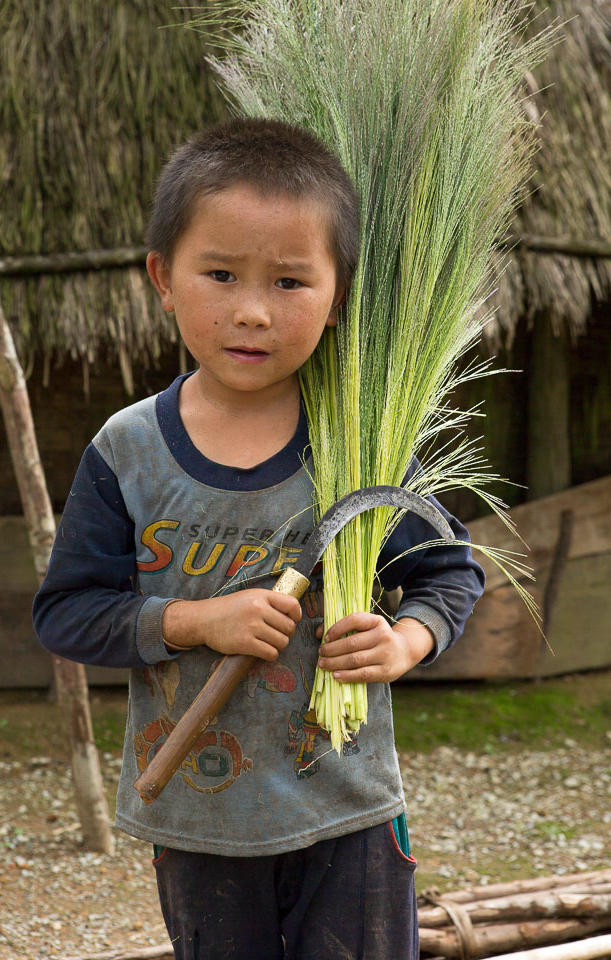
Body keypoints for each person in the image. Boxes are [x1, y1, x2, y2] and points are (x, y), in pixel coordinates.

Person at [33, 117, 484, 960]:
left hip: (348, 813)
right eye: (220, 274)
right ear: (163, 278)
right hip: (202, 826)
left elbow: (450, 573)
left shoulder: (364, 441)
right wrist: (196, 622)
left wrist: (406, 640)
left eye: (288, 282)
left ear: (339, 295)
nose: (250, 311)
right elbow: (68, 614)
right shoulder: (126, 451)